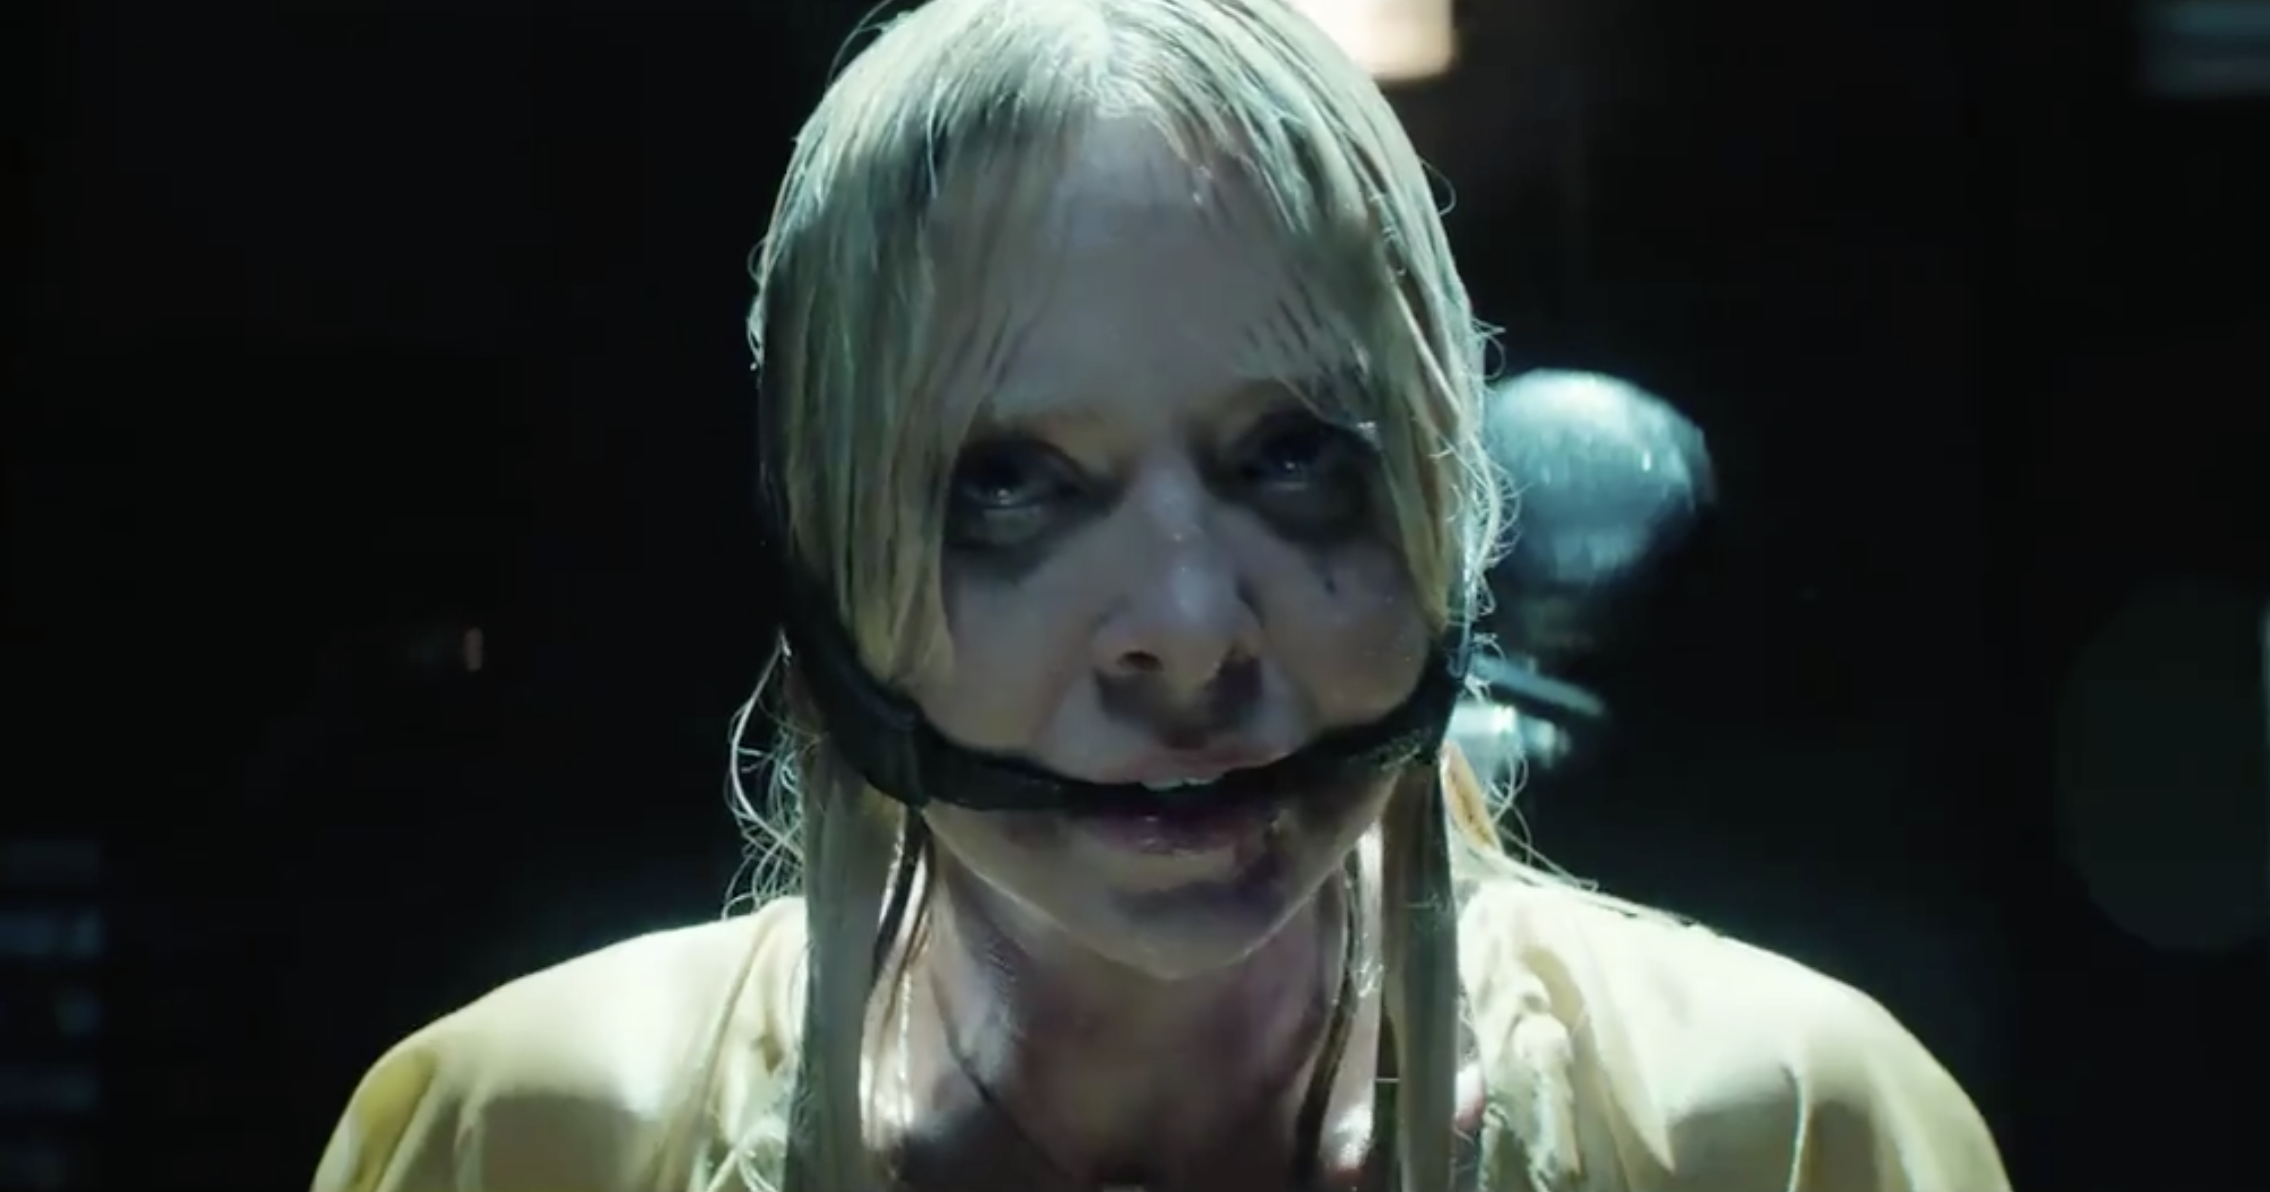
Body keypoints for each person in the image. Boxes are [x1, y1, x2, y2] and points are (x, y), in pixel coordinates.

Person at [309, 1, 2010, 1190]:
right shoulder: (526, 1143)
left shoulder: (1783, 1135)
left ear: (1442, 502)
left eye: (1294, 458)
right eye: (1010, 486)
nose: (1189, 632)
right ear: (828, 550)